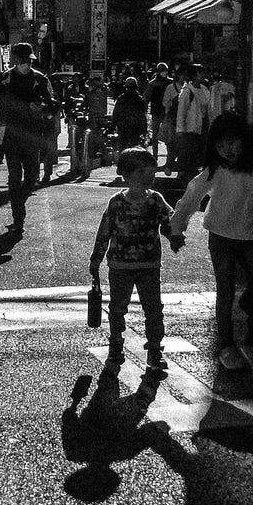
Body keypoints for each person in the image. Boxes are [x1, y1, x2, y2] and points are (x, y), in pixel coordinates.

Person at [169, 112, 253, 371]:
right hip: (221, 239)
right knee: (225, 292)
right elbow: (191, 197)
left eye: (231, 142)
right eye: (220, 145)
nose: (226, 150)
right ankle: (227, 344)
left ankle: (251, 342)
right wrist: (177, 228)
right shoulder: (215, 171)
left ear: (244, 140)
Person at [89, 147, 182, 373]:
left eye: (151, 171)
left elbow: (169, 223)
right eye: (142, 172)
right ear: (126, 175)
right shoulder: (116, 202)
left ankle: (154, 348)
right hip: (120, 266)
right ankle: (116, 343)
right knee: (118, 307)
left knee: (153, 308)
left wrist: (175, 236)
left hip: (149, 265)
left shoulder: (156, 200)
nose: (149, 176)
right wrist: (96, 259)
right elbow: (104, 231)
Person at [0, 42, 57, 232]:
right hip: (11, 135)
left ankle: (19, 201)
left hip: (33, 135)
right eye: (21, 60)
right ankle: (18, 218)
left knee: (31, 178)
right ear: (15, 59)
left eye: (27, 60)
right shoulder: (3, 79)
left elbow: (52, 106)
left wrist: (41, 109)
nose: (24, 64)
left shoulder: (40, 79)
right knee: (14, 175)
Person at [174, 63, 213, 182]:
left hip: (203, 127)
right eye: (200, 73)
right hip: (190, 129)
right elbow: (181, 112)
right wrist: (180, 130)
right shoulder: (187, 91)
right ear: (194, 75)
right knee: (191, 156)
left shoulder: (205, 89)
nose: (203, 75)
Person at [146, 63, 174, 164]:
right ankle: (154, 156)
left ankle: (170, 157)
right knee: (155, 136)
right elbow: (146, 97)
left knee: (169, 136)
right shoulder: (152, 84)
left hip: (167, 112)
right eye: (163, 71)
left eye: (166, 71)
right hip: (156, 112)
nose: (165, 73)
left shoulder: (170, 82)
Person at [112, 76, 148, 150]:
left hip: (123, 128)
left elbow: (116, 113)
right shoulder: (140, 100)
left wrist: (113, 124)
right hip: (136, 128)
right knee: (135, 149)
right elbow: (143, 116)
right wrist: (144, 130)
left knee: (123, 148)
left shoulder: (121, 98)